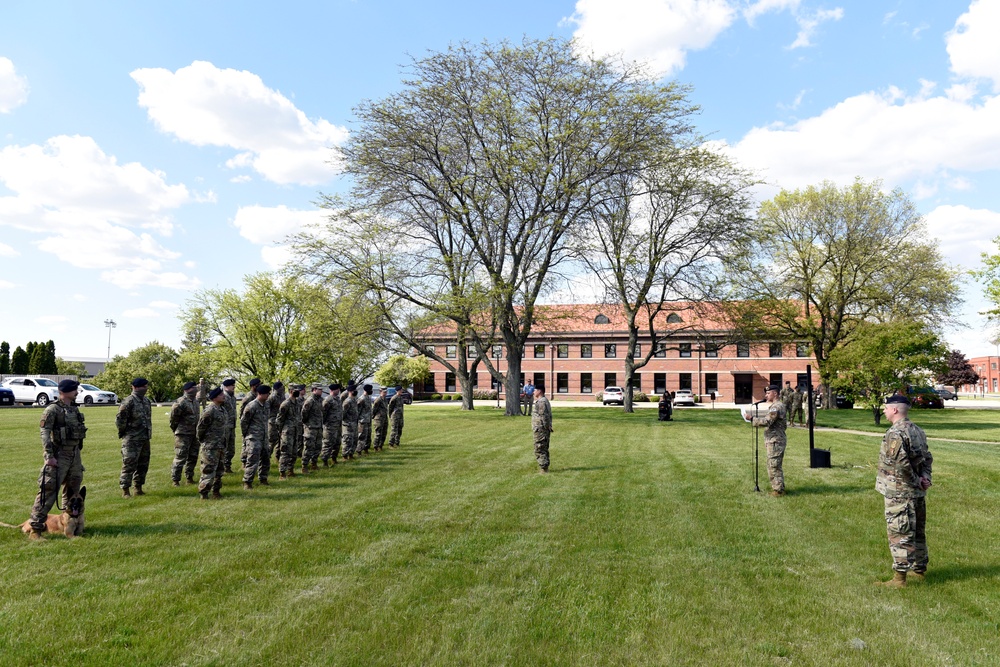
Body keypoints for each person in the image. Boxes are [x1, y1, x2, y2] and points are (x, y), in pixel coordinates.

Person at [876, 395, 933, 588]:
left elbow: (901, 464)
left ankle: (899, 579)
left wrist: (918, 480)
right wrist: (925, 479)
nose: (883, 411)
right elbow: (927, 459)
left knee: (900, 532)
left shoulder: (895, 433)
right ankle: (920, 569)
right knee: (917, 532)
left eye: (885, 408)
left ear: (894, 410)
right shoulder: (918, 430)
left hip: (900, 493)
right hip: (916, 492)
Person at [26, 379, 86, 540]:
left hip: (74, 455)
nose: (77, 392)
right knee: (48, 492)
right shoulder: (53, 410)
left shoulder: (74, 409)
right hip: (59, 456)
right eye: (74, 390)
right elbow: (44, 433)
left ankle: (70, 524)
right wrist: (49, 456)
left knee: (73, 492)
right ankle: (35, 530)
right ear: (65, 391)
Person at [745, 384, 788, 497]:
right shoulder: (775, 406)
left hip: (776, 440)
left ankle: (778, 490)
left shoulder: (776, 407)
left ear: (775, 393)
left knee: (774, 465)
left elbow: (767, 421)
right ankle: (779, 488)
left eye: (768, 393)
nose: (766, 395)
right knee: (773, 464)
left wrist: (752, 419)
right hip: (773, 440)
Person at [117, 377, 153, 498]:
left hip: (144, 438)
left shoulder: (146, 401)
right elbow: (120, 420)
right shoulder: (128, 402)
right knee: (129, 464)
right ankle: (125, 490)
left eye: (146, 386)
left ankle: (138, 487)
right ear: (136, 387)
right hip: (131, 439)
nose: (146, 388)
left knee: (143, 464)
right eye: (143, 386)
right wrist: (125, 433)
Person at [196, 388, 228, 499]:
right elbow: (201, 428)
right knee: (208, 470)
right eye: (221, 394)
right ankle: (204, 494)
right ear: (214, 397)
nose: (224, 396)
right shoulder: (209, 410)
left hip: (220, 445)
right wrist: (205, 441)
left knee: (219, 471)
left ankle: (216, 492)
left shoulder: (222, 409)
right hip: (210, 446)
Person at [240, 384, 272, 489]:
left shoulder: (266, 405)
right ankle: (247, 482)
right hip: (253, 437)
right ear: (260, 394)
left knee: (266, 459)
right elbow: (244, 422)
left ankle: (263, 478)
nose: (268, 395)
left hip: (264, 437)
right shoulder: (251, 406)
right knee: (253, 460)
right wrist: (247, 436)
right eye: (267, 393)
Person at [169, 381, 200, 486]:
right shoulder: (180, 402)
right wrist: (177, 430)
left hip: (194, 434)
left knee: (193, 456)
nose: (195, 389)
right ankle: (175, 480)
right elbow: (173, 419)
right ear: (187, 390)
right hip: (183, 434)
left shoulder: (195, 401)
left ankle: (189, 477)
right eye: (193, 388)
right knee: (180, 457)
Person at [276, 387, 301, 479]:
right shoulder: (285, 404)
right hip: (287, 432)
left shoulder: (297, 403)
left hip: (295, 431)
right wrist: (281, 432)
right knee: (286, 452)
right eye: (295, 390)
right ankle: (282, 473)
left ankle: (291, 470)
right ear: (290, 391)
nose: (297, 392)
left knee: (294, 452)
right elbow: (279, 419)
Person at [300, 384, 324, 472]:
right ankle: (304, 466)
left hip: (319, 427)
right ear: (314, 390)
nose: (321, 391)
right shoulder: (310, 400)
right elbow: (304, 413)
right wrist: (307, 423)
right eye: (319, 389)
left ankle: (314, 463)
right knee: (309, 447)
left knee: (318, 447)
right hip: (310, 428)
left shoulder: (321, 400)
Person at [531, 386, 553, 473]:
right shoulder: (544, 400)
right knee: (543, 447)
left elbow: (544, 416)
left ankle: (544, 468)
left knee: (539, 447)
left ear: (539, 391)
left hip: (540, 429)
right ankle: (545, 466)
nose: (533, 392)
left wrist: (546, 426)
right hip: (542, 429)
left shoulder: (541, 402)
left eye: (535, 390)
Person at [321, 383, 343, 465]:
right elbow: (323, 413)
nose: (338, 390)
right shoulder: (328, 400)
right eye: (337, 389)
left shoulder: (338, 399)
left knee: (337, 443)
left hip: (338, 425)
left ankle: (334, 458)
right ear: (332, 390)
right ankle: (325, 460)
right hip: (330, 426)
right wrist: (325, 423)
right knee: (328, 443)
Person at [220, 379, 238, 473]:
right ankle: (221, 467)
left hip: (232, 426)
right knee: (223, 447)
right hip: (224, 426)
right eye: (232, 385)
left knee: (231, 449)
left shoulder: (233, 397)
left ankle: (227, 466)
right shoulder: (222, 397)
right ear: (226, 387)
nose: (234, 387)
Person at [266, 381, 285, 463]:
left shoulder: (282, 396)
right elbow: (267, 409)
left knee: (280, 441)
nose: (283, 389)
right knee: (272, 441)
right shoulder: (272, 397)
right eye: (281, 387)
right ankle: (266, 458)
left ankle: (278, 458)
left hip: (280, 422)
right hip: (272, 422)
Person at [341, 384, 359, 460]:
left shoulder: (354, 400)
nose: (355, 391)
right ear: (350, 391)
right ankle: (345, 455)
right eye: (353, 390)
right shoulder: (347, 401)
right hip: (348, 424)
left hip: (354, 424)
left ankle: (351, 454)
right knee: (347, 440)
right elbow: (343, 414)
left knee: (354, 440)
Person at [357, 384, 374, 455]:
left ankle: (366, 449)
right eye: (370, 390)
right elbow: (358, 411)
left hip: (368, 420)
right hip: (362, 421)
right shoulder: (362, 399)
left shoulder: (368, 398)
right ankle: (359, 450)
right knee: (362, 436)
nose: (371, 391)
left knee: (368, 435)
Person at [372, 386, 389, 451]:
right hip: (378, 419)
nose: (385, 393)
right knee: (378, 433)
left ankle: (380, 445)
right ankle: (375, 446)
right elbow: (374, 409)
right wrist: (374, 417)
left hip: (384, 418)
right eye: (384, 392)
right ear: (380, 392)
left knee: (384, 433)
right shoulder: (378, 400)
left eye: (386, 392)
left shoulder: (385, 399)